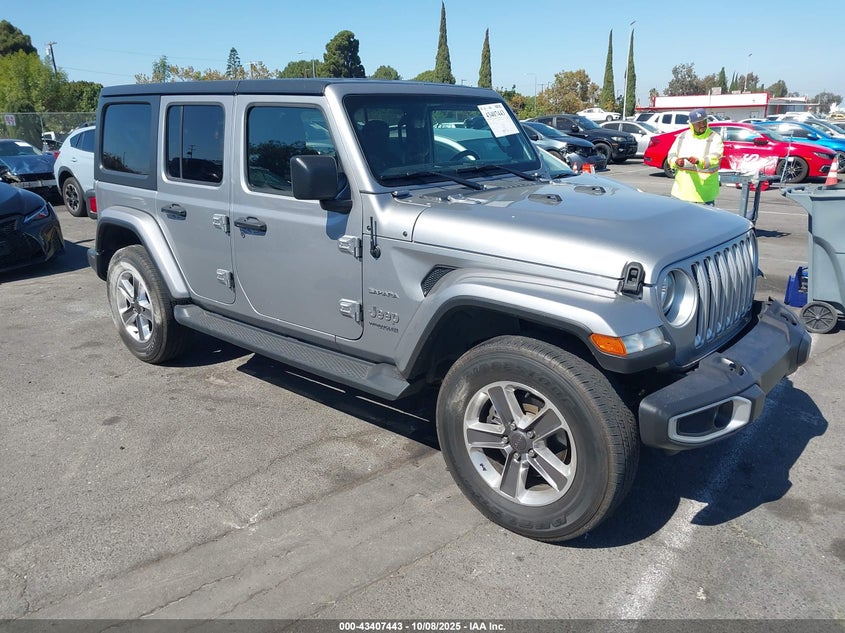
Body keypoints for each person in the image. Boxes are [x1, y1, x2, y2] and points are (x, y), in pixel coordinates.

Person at [667, 108, 724, 205]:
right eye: (698, 123)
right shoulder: (682, 136)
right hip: (680, 193)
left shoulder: (714, 137)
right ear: (691, 124)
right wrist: (675, 161)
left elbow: (715, 158)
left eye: (704, 121)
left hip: (704, 195)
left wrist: (699, 161)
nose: (702, 125)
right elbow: (671, 154)